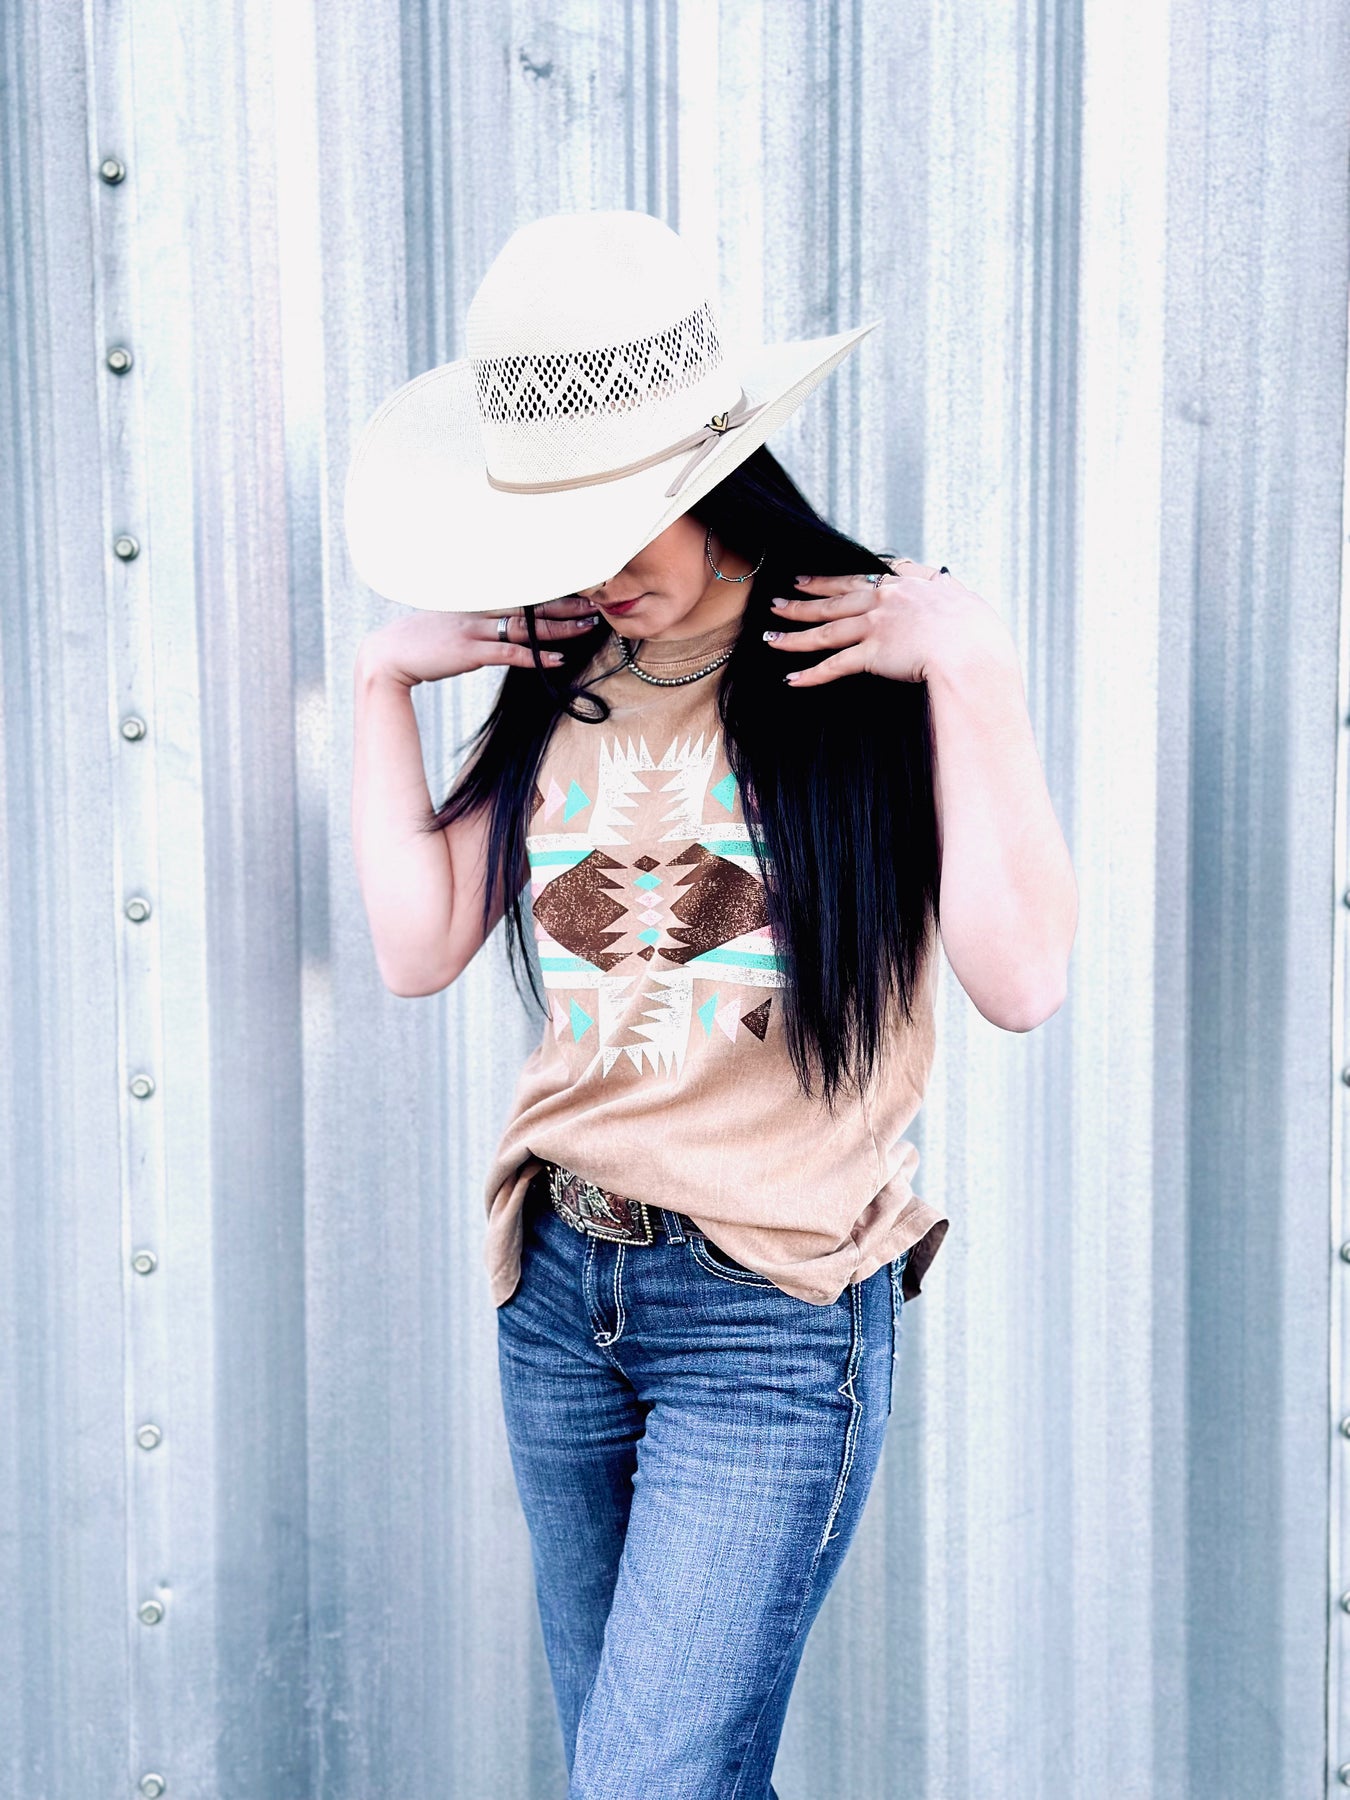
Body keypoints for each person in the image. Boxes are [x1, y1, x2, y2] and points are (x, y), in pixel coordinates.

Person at [346, 210, 1077, 1799]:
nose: (595, 569)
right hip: (558, 1295)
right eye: (555, 530)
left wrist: (978, 672)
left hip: (766, 1310)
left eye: (622, 521)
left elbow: (1021, 981)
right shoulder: (561, 664)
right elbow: (417, 946)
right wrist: (382, 686)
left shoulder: (858, 657)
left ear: (715, 468)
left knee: (645, 1783)